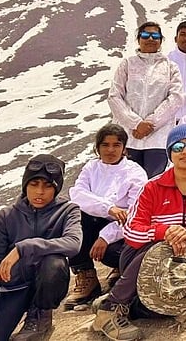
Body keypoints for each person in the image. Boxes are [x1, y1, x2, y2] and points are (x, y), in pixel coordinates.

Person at [93, 125, 186, 340]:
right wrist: (165, 232)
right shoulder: (152, 187)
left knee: (168, 309)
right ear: (169, 152)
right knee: (162, 247)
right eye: (177, 146)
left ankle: (128, 303)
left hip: (185, 263)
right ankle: (110, 308)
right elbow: (132, 232)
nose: (185, 151)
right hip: (141, 256)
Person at [0, 155, 82, 341]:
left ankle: (41, 315)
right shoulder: (7, 216)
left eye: (48, 186)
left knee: (54, 262)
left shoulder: (68, 210)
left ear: (56, 188)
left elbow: (73, 243)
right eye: (34, 184)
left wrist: (24, 247)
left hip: (48, 283)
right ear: (25, 185)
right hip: (14, 288)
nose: (40, 192)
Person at [65, 124, 149, 309]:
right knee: (73, 217)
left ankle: (120, 268)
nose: (110, 150)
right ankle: (85, 274)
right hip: (96, 221)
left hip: (121, 231)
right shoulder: (91, 167)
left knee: (113, 254)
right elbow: (77, 194)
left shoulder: (135, 173)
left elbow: (135, 215)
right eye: (105, 145)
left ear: (124, 148)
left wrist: (106, 236)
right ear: (97, 148)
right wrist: (109, 208)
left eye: (116, 145)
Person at [108, 21, 184, 178]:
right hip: (128, 136)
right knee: (124, 183)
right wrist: (136, 123)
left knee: (153, 184)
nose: (150, 38)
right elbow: (115, 96)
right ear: (138, 39)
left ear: (161, 40)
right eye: (145, 35)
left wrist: (150, 123)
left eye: (155, 35)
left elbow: (175, 98)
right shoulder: (127, 64)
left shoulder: (171, 67)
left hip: (158, 137)